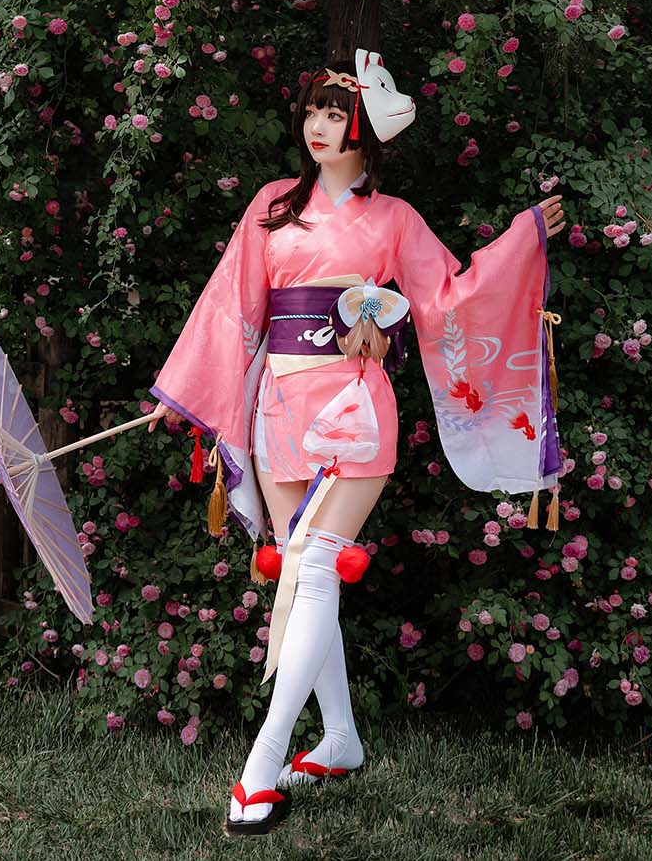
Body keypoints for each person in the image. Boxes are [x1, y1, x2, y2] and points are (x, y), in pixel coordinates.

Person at [140, 48, 566, 837]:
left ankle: (259, 770)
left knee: (312, 567)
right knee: (304, 570)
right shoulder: (271, 205)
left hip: (356, 408)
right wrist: (188, 394)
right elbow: (230, 307)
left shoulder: (394, 218)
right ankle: (339, 737)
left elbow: (449, 297)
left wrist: (522, 237)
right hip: (277, 407)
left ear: (362, 128)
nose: (319, 125)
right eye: (313, 110)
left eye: (335, 114)